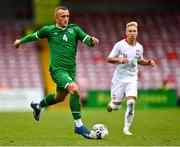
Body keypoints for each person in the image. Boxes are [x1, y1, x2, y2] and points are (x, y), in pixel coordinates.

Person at [13, 6, 99, 139]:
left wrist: (92, 41)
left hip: (70, 71)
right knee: (75, 90)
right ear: (57, 18)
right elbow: (33, 36)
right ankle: (79, 126)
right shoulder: (49, 30)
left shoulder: (74, 29)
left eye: (67, 16)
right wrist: (20, 41)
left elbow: (87, 39)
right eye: (63, 16)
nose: (66, 19)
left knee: (60, 98)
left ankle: (38, 105)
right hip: (57, 70)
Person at [107, 21, 155, 136]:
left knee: (131, 102)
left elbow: (140, 61)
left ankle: (126, 129)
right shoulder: (119, 45)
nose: (132, 33)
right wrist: (120, 60)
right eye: (130, 31)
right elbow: (109, 59)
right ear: (126, 33)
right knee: (117, 106)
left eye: (134, 31)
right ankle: (112, 105)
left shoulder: (139, 47)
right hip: (119, 79)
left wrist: (148, 62)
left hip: (132, 78)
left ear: (137, 32)